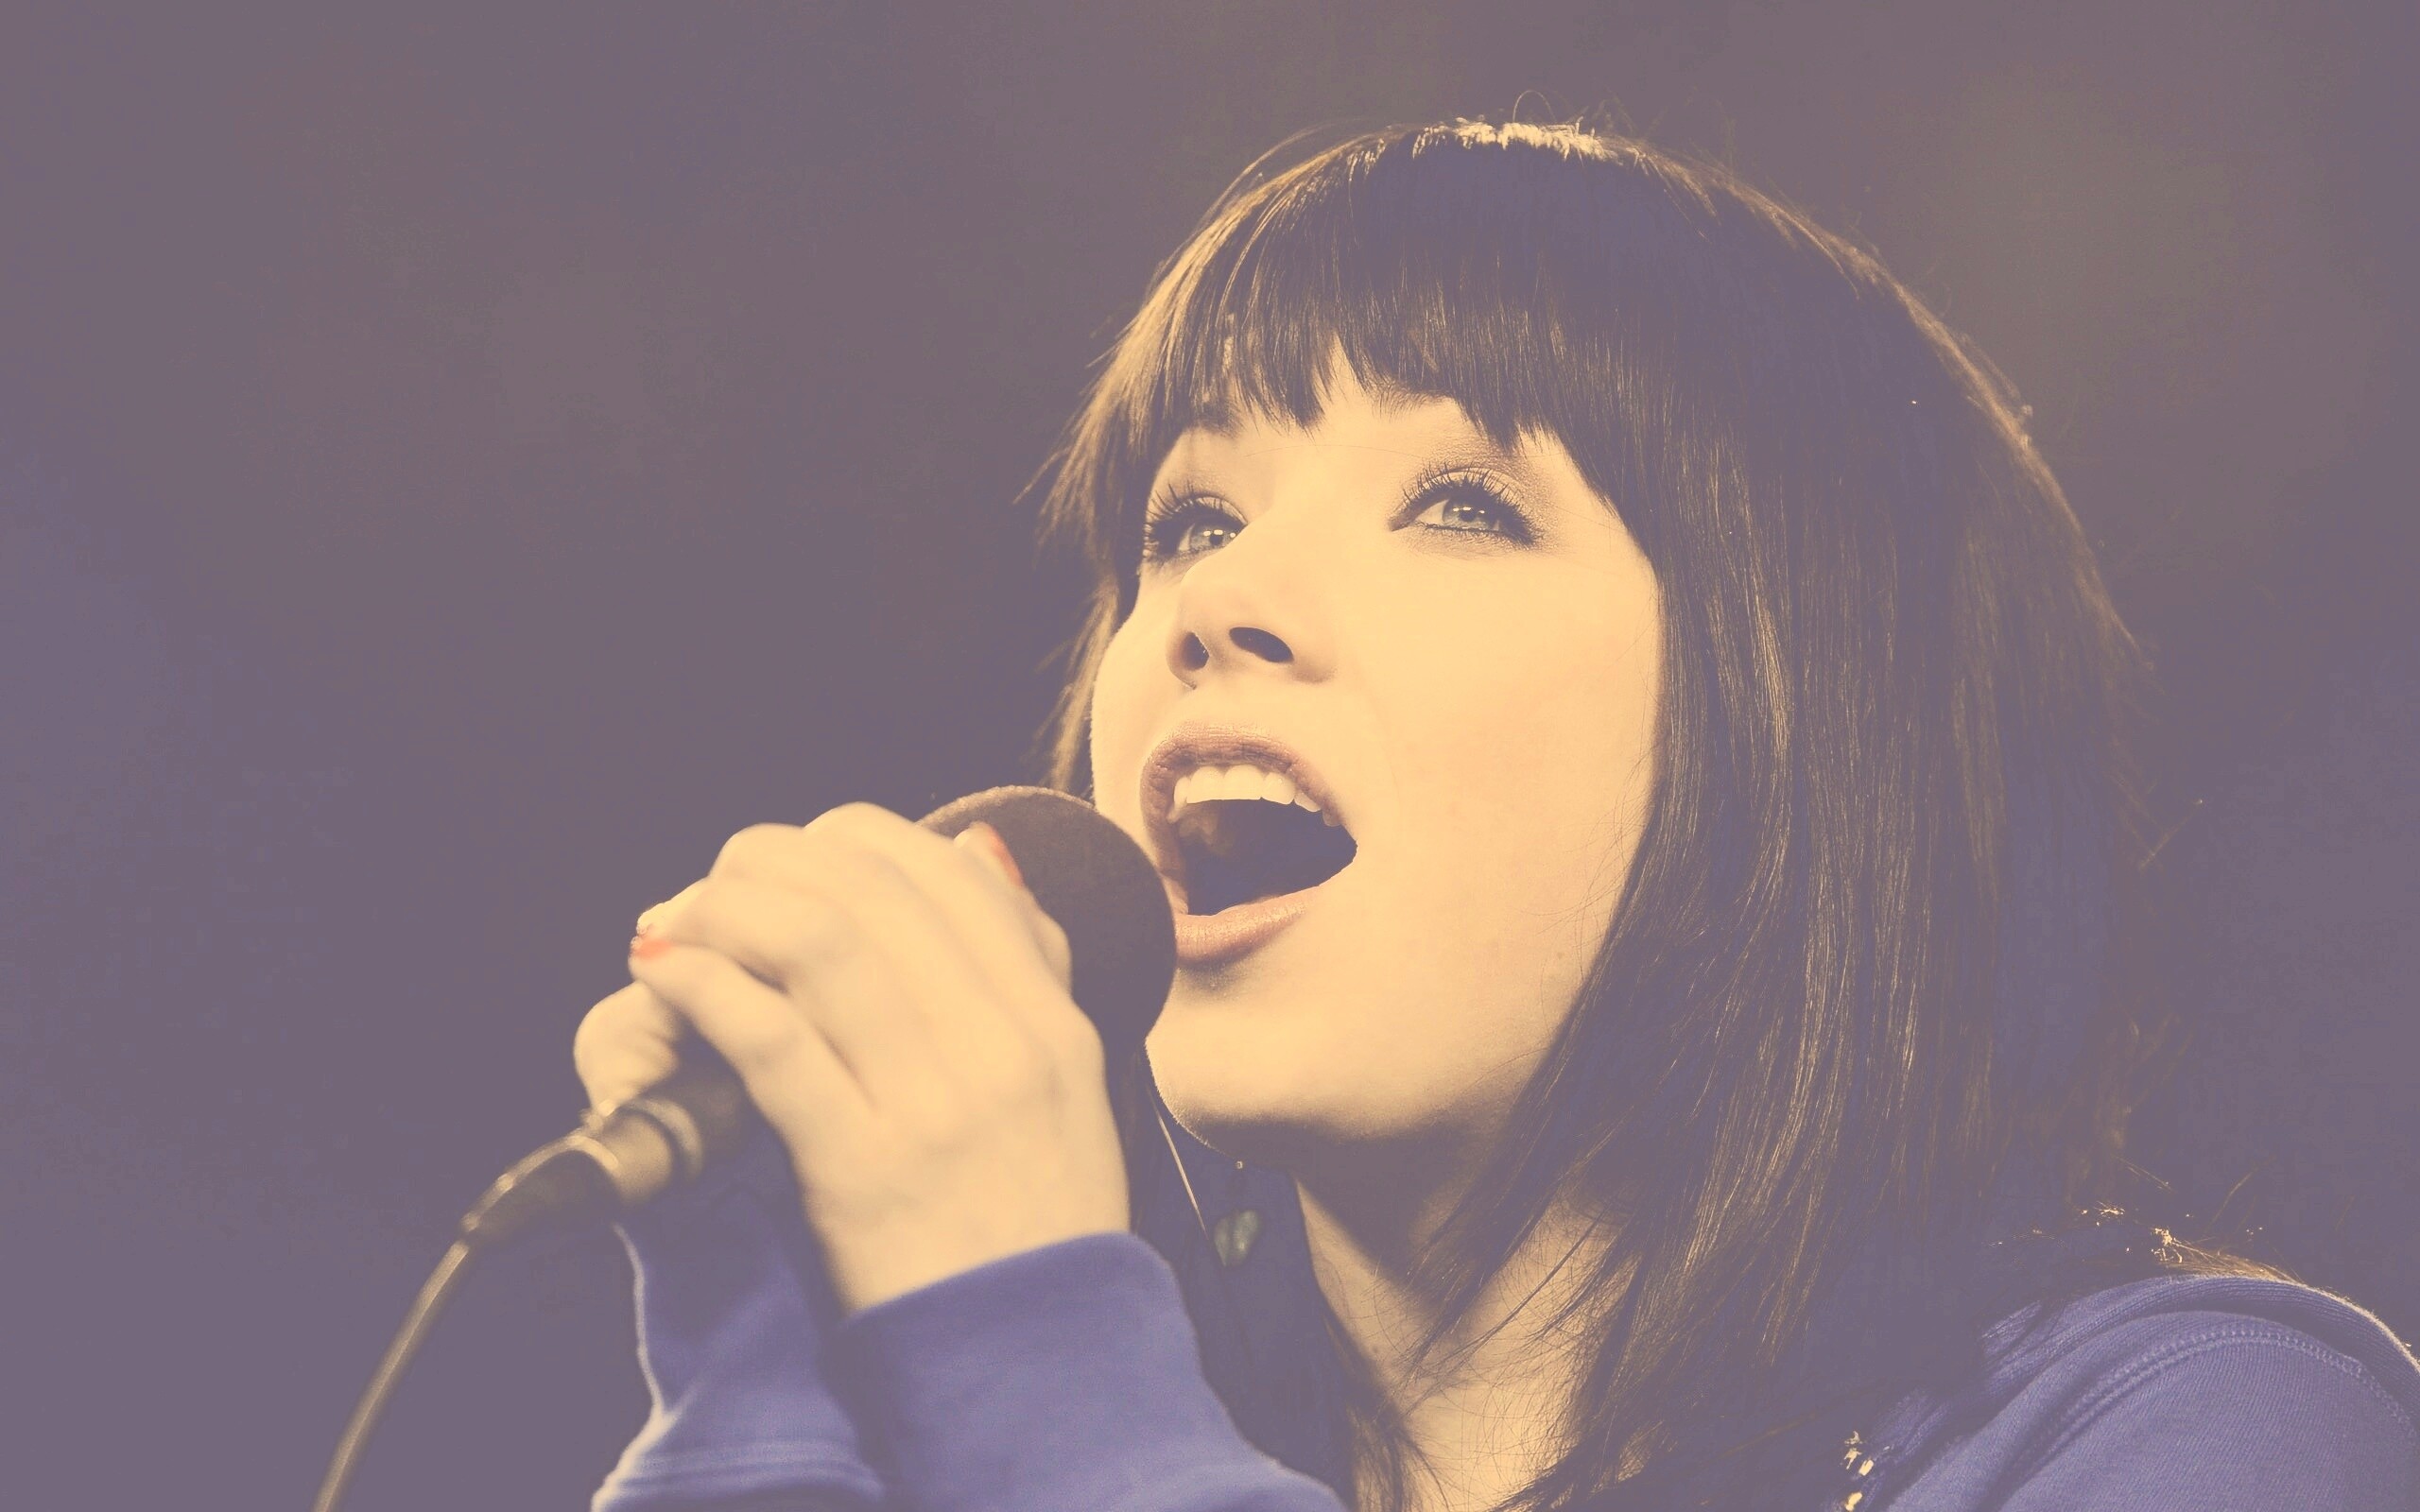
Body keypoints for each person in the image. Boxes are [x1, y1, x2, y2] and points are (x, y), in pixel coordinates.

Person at [569, 120, 2420, 1512]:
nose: (1214, 602)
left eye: (1459, 504)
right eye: (1188, 522)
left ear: (1802, 722)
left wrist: (1034, 1356)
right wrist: (763, 1395)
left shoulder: (2198, 1426)